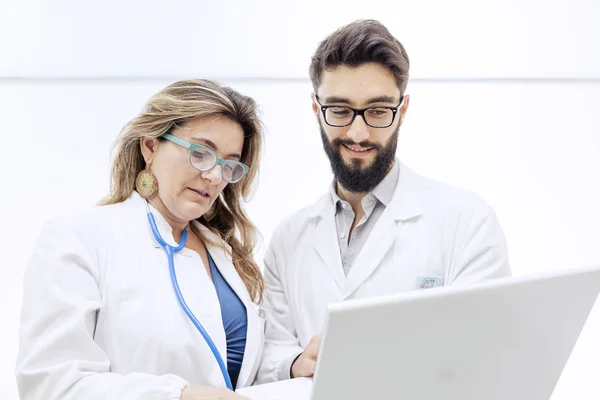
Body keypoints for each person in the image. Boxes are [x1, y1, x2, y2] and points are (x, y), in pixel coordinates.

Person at [256, 19, 512, 383]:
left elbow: (485, 356)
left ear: (402, 111)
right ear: (317, 110)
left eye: (377, 111)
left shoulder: (467, 221)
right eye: (340, 110)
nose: (357, 133)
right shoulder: (289, 237)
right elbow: (269, 353)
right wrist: (296, 363)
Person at [15, 79, 265, 399]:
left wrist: (290, 364)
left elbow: (238, 368)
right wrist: (179, 395)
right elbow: (50, 384)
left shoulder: (224, 252)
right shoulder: (79, 237)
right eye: (201, 153)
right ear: (150, 146)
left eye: (229, 165)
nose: (215, 177)